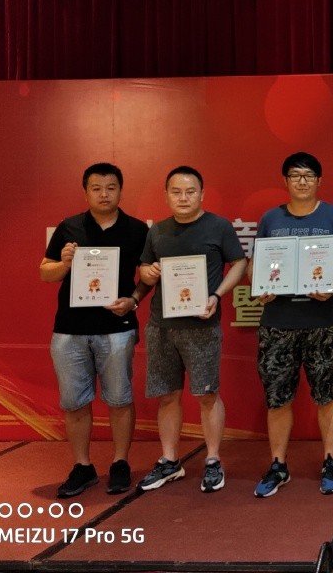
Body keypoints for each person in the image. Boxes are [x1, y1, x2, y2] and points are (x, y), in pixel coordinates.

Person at [250, 153, 333, 497]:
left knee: (327, 394)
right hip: (278, 322)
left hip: (323, 321)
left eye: (309, 175)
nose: (302, 181)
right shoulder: (271, 218)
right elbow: (256, 265)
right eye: (295, 175)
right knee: (277, 397)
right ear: (285, 180)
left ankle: (330, 461)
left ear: (319, 181)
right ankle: (278, 464)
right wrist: (260, 287)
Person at [40, 163, 150, 497]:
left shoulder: (137, 230)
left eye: (111, 187)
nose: (104, 194)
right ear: (86, 191)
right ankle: (82, 466)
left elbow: (148, 276)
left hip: (117, 328)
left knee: (119, 399)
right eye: (96, 188)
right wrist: (65, 263)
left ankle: (120, 462)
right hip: (70, 330)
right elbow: (45, 272)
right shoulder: (69, 227)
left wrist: (133, 300)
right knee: (74, 402)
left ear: (121, 190)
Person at [137, 166, 247, 493]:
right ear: (166, 195)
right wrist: (147, 272)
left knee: (206, 394)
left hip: (202, 325)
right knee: (168, 395)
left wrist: (217, 295)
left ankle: (212, 459)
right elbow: (144, 269)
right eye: (176, 192)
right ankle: (170, 461)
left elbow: (239, 263)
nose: (183, 198)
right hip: (161, 326)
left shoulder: (219, 226)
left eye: (190, 192)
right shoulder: (157, 231)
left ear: (202, 194)